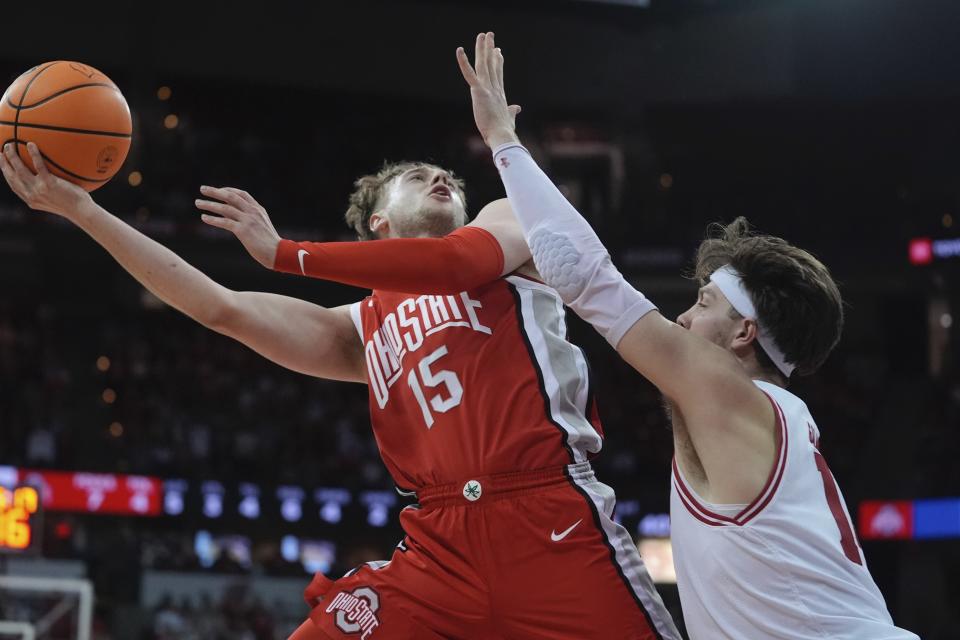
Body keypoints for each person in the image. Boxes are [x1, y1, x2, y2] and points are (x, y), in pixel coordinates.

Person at [1, 138, 679, 639]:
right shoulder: (356, 328)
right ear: (378, 222)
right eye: (418, 176)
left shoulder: (504, 230)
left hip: (551, 520)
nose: (441, 176)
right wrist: (83, 211)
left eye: (446, 176)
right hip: (439, 548)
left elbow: (453, 261)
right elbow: (218, 306)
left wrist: (286, 253)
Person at [448, 32, 919, 639]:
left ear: (745, 332)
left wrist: (503, 144)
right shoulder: (765, 415)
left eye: (702, 304)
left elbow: (589, 280)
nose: (681, 321)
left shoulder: (733, 396)